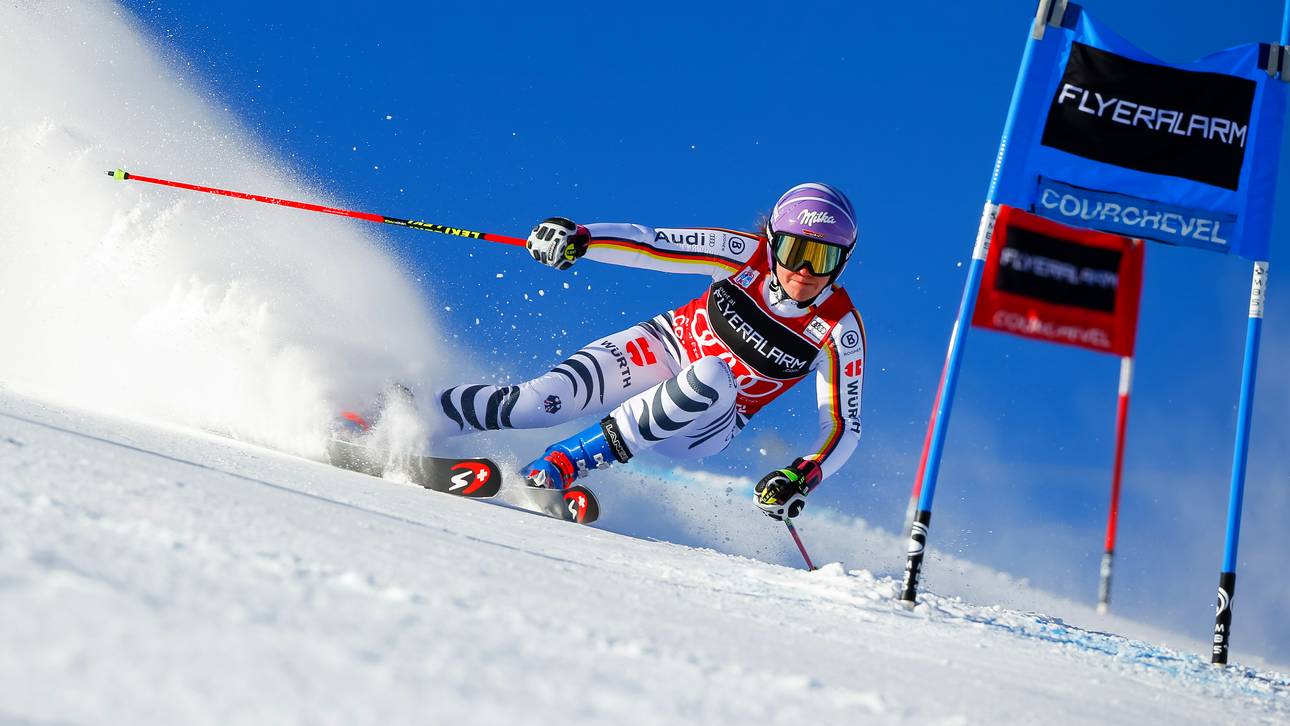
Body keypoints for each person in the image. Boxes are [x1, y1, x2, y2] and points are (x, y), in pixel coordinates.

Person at [431, 183, 866, 520]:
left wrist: (801, 476)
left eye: (822, 258)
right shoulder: (743, 254)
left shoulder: (838, 328)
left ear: (842, 262)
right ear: (771, 243)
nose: (805, 270)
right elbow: (652, 243)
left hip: (707, 424)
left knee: (711, 374)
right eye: (794, 250)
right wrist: (582, 238)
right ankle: (415, 412)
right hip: (664, 345)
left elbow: (843, 424)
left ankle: (562, 464)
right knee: (540, 403)